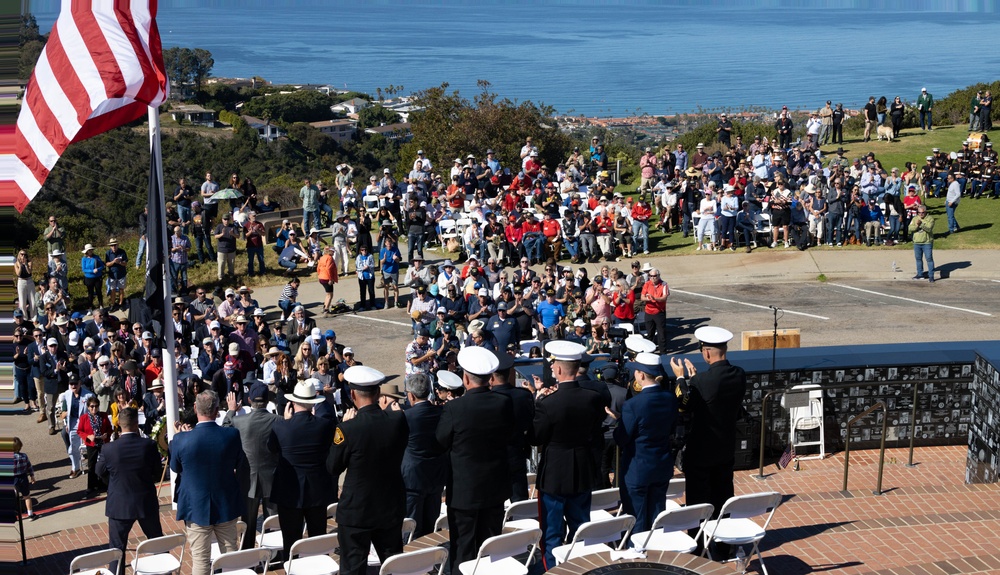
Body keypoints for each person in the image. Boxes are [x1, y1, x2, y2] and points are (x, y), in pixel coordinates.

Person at [669, 326, 746, 559]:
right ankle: (723, 545)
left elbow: (684, 404)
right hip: (724, 448)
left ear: (706, 353)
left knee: (697, 502)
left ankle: (699, 547)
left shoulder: (701, 382)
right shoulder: (739, 374)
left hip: (700, 452)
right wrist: (695, 380)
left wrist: (682, 378)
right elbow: (715, 396)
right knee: (723, 497)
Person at [436, 347, 513, 571]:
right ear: (490, 378)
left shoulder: (454, 407)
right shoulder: (503, 402)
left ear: (465, 378)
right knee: (490, 546)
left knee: (463, 548)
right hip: (495, 486)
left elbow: (441, 441)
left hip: (464, 490)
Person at [532, 340, 606, 570]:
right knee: (581, 527)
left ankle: (554, 571)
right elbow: (596, 427)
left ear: (560, 370)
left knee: (552, 532)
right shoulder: (592, 398)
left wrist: (537, 401)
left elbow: (535, 438)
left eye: (554, 365)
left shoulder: (547, 403)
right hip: (582, 468)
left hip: (554, 472)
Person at [330, 366, 409, 575]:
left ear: (353, 394)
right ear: (377, 394)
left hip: (357, 511)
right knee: (392, 567)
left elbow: (333, 467)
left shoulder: (348, 429)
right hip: (389, 507)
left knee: (353, 568)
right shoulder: (397, 421)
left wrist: (344, 427)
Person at [170, 390, 245, 575]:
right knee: (230, 557)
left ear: (195, 408)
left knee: (200, 560)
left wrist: (179, 439)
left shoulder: (181, 439)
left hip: (196, 507)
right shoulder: (231, 435)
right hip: (226, 503)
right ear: (217, 410)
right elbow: (239, 462)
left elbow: (175, 467)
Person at [268, 379, 336, 560]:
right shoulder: (324, 425)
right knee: (318, 539)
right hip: (317, 490)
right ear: (312, 403)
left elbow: (272, 449)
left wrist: (286, 421)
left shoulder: (280, 426)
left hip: (289, 491)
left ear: (292, 403)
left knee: (290, 540)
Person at [612, 352, 678, 533]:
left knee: (637, 519)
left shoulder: (633, 405)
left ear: (641, 375)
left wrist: (619, 422)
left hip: (637, 469)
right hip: (661, 464)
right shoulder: (670, 398)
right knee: (657, 516)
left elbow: (621, 438)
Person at [96, 408, 163, 575]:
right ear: (136, 424)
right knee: (158, 543)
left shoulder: (109, 449)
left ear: (119, 424)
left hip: (119, 505)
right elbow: (157, 471)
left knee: (116, 550)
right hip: (145, 502)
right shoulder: (149, 445)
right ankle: (165, 571)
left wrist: (112, 482)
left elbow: (99, 471)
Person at [222, 383, 280, 549]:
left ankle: (248, 555)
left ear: (249, 400)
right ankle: (273, 554)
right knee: (272, 521)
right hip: (272, 477)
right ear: (268, 400)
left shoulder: (239, 421)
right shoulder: (278, 420)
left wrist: (231, 409)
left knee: (248, 521)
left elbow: (225, 428)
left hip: (247, 478)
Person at [400, 373, 447, 538]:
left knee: (410, 528)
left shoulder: (405, 417)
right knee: (430, 527)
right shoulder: (442, 412)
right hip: (436, 476)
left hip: (412, 479)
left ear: (411, 395)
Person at [489, 350, 534, 502]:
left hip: (492, 456)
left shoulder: (486, 399)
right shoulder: (524, 395)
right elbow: (529, 422)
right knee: (519, 500)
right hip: (517, 452)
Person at [60, 372, 94, 478]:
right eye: (71, 384)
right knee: (73, 447)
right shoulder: (67, 394)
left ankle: (93, 467)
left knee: (89, 446)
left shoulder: (89, 395)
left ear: (80, 383)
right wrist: (66, 422)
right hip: (73, 422)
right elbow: (64, 412)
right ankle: (75, 468)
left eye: (75, 384)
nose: (73, 386)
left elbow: (92, 412)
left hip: (86, 422)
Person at [77, 395, 112, 498]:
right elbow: (79, 431)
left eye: (96, 406)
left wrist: (107, 434)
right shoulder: (84, 418)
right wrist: (88, 436)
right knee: (91, 465)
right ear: (88, 407)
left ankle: (104, 484)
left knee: (104, 463)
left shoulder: (103, 415)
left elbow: (109, 428)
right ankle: (91, 486)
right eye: (92, 406)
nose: (94, 408)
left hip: (102, 442)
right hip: (91, 443)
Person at [640, 268, 669, 354]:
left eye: (655, 276)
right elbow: (642, 297)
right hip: (649, 312)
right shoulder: (647, 284)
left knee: (661, 334)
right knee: (650, 334)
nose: (653, 278)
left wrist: (655, 299)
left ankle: (663, 353)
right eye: (651, 276)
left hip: (659, 312)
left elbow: (664, 298)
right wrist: (648, 299)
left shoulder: (664, 284)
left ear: (658, 276)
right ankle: (650, 352)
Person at [909, 204, 936, 283]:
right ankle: (920, 274)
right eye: (919, 212)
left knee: (929, 259)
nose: (920, 214)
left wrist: (921, 224)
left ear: (925, 212)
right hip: (917, 242)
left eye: (922, 213)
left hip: (927, 242)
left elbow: (929, 229)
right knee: (918, 259)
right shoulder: (914, 219)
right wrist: (916, 225)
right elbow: (910, 228)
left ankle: (931, 276)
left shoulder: (930, 219)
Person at [81, 244, 105, 311]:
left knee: (98, 291)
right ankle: (90, 308)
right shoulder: (84, 259)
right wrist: (92, 271)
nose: (90, 251)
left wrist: (98, 269)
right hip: (89, 278)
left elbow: (102, 266)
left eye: (91, 250)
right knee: (90, 293)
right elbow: (84, 269)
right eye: (89, 250)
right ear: (86, 251)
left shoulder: (96, 257)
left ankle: (101, 305)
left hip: (97, 277)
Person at [214, 213, 238, 281]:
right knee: (221, 264)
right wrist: (222, 234)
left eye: (227, 219)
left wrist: (232, 234)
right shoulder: (219, 226)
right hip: (222, 249)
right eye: (225, 219)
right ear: (222, 220)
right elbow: (215, 236)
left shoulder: (233, 226)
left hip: (231, 249)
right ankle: (221, 278)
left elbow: (238, 236)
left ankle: (231, 276)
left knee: (231, 264)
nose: (226, 221)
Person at [244, 211, 267, 276]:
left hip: (259, 245)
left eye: (255, 216)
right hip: (250, 245)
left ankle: (262, 272)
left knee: (261, 259)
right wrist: (251, 231)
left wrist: (257, 230)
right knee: (250, 260)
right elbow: (245, 236)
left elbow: (264, 234)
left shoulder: (259, 224)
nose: (254, 217)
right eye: (253, 216)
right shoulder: (246, 225)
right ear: (249, 216)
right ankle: (250, 273)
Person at [355, 244, 376, 311]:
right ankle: (362, 306)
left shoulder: (370, 256)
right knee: (362, 291)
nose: (364, 251)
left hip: (370, 276)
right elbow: (358, 266)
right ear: (360, 251)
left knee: (371, 291)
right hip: (362, 277)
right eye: (362, 250)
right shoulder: (358, 257)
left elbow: (372, 265)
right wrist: (363, 268)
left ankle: (372, 305)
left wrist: (368, 266)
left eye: (365, 250)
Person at [15, 249, 35, 319]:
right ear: (19, 255)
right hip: (21, 281)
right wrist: (20, 266)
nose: (23, 256)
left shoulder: (29, 262)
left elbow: (29, 272)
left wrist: (26, 265)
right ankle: (25, 317)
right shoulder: (16, 263)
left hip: (29, 281)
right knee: (22, 302)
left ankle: (33, 317)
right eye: (21, 254)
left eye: (24, 254)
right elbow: (18, 273)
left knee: (32, 301)